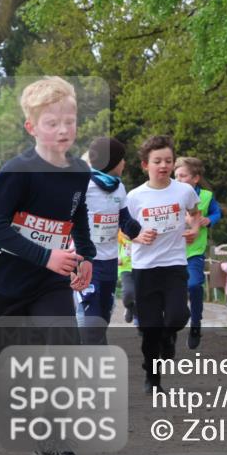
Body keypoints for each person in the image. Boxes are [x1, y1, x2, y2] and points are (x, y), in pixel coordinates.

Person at [0, 76, 94, 455]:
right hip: (3, 284)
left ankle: (50, 445)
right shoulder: (18, 171)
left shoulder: (79, 171)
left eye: (69, 120)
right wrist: (45, 255)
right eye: (52, 122)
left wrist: (82, 256)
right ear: (32, 128)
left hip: (48, 284)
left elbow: (77, 216)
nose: (64, 129)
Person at [126, 135, 201, 394]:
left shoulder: (184, 191)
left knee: (178, 315)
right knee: (149, 329)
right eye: (157, 161)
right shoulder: (134, 197)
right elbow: (124, 229)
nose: (163, 165)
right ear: (145, 165)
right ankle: (153, 378)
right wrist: (136, 235)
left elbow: (195, 214)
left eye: (168, 160)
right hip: (145, 268)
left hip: (174, 264)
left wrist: (193, 230)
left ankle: (169, 336)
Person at [81, 137, 152, 344]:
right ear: (111, 162)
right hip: (87, 260)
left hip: (110, 260)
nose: (124, 163)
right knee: (91, 309)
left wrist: (138, 231)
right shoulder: (83, 185)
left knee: (104, 312)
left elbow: (125, 220)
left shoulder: (119, 188)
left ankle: (94, 346)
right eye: (122, 159)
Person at [174, 156, 222, 349]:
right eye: (175, 176)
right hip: (172, 253)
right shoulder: (169, 195)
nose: (178, 180)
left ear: (195, 178)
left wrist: (209, 220)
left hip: (195, 251)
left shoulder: (206, 197)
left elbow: (217, 213)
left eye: (182, 176)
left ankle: (196, 323)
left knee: (194, 286)